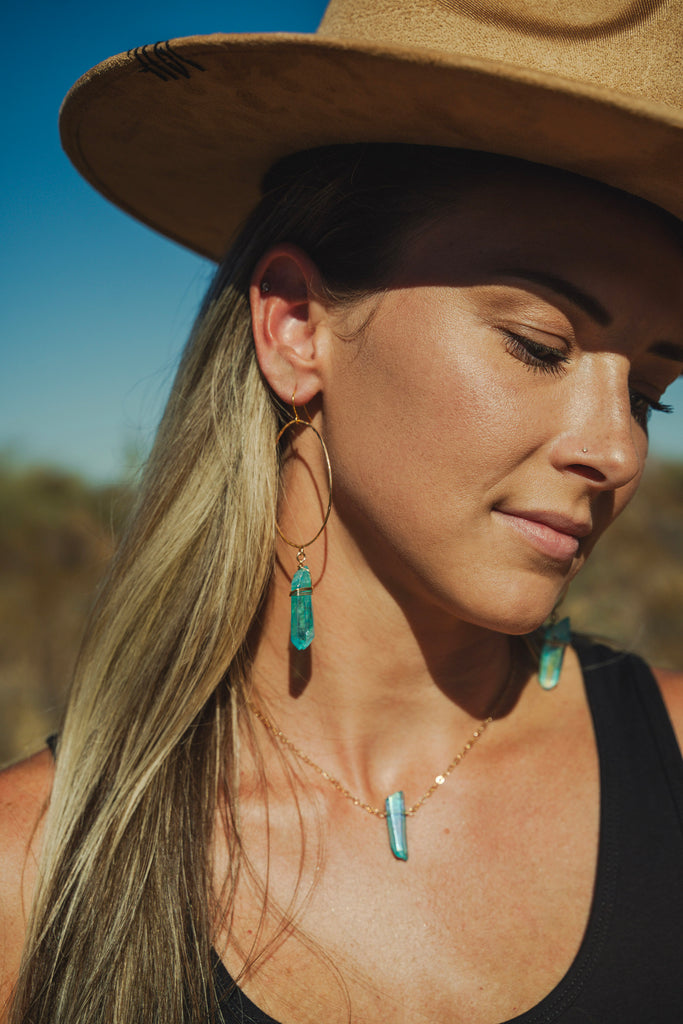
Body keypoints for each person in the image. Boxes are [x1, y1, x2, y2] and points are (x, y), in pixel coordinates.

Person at [2, 2, 683, 1022]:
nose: (617, 449)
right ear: (296, 325)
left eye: (645, 393)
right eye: (538, 345)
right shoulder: (31, 874)